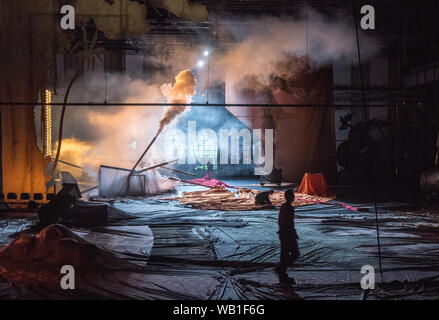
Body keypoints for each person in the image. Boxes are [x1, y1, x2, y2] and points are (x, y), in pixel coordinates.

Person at [276, 189, 299, 280]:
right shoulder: (289, 208)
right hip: (287, 233)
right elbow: (289, 222)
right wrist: (292, 234)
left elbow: (280, 221)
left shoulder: (283, 206)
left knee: (284, 253)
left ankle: (282, 270)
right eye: (292, 195)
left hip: (283, 233)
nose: (294, 197)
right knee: (295, 253)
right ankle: (282, 269)